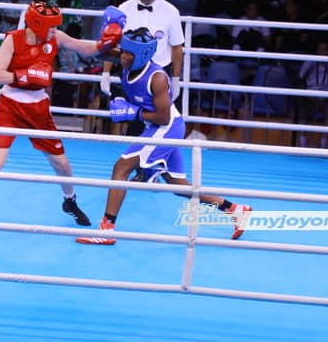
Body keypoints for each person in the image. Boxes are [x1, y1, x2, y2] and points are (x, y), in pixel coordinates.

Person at [0, 2, 126, 236]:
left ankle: (69, 200)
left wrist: (105, 44)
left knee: (61, 163)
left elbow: (84, 48)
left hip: (38, 106)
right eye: (51, 27)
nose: (55, 31)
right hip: (10, 105)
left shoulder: (55, 37)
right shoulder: (13, 40)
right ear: (38, 25)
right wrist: (23, 76)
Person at [76, 28, 252, 245]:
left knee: (120, 168)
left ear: (140, 54)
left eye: (128, 53)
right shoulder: (126, 59)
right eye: (123, 50)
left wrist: (134, 112)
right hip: (162, 126)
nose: (122, 56)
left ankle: (106, 230)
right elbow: (96, 51)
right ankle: (235, 209)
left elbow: (162, 116)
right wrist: (100, 39)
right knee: (178, 186)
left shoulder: (157, 78)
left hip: (165, 127)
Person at [100, 0, 184, 109]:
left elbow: (177, 48)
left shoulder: (171, 12)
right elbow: (112, 42)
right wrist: (106, 72)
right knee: (122, 114)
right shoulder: (123, 9)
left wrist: (175, 79)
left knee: (156, 116)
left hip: (159, 73)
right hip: (129, 70)